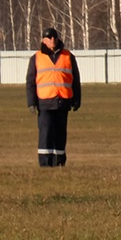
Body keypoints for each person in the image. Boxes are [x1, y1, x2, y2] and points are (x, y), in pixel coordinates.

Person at [26, 27, 81, 167]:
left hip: (63, 101)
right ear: (43, 40)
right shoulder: (37, 58)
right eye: (49, 37)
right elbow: (30, 82)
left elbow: (75, 80)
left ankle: (59, 162)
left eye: (54, 37)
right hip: (45, 101)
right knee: (45, 133)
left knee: (61, 134)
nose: (52, 40)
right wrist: (31, 102)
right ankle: (45, 163)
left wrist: (77, 99)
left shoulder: (68, 56)